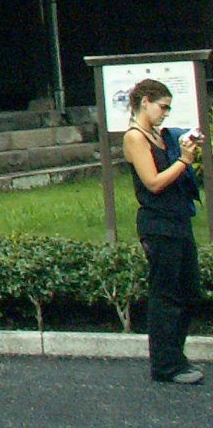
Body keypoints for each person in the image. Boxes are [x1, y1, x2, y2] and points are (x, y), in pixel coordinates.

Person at [122, 78, 203, 384]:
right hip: (158, 224)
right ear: (145, 101)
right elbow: (153, 182)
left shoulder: (160, 136)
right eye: (162, 107)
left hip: (178, 219)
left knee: (188, 290)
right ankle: (164, 364)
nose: (165, 113)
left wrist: (184, 150)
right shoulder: (135, 137)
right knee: (165, 294)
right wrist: (184, 161)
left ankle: (175, 355)